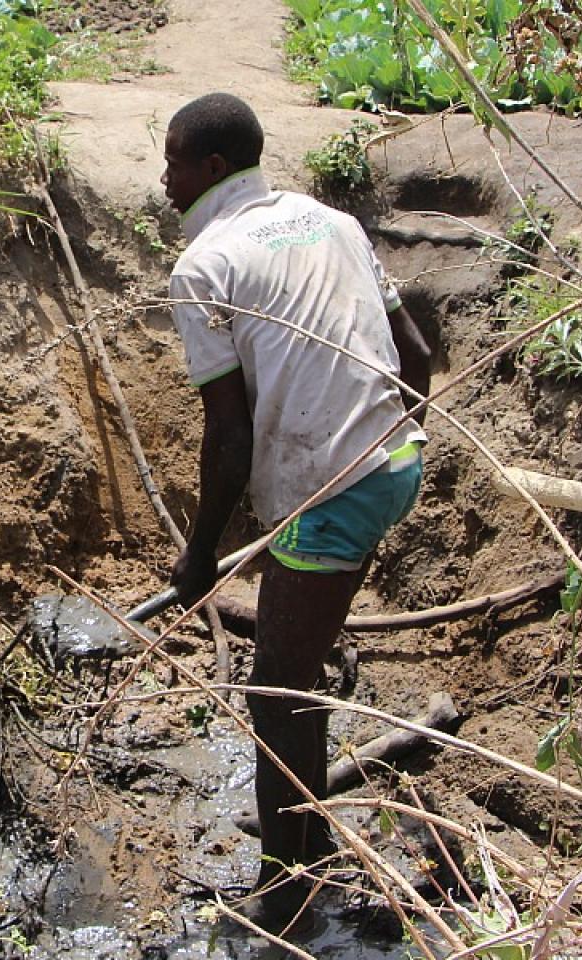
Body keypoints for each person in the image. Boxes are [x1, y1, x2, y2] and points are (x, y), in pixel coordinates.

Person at [159, 92, 431, 938]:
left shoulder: (203, 265)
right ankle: (308, 850)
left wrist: (200, 554)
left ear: (209, 168)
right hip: (396, 461)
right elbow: (417, 355)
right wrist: (381, 440)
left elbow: (229, 436)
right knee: (294, 662)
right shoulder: (332, 222)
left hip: (332, 489)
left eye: (171, 160)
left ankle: (289, 900)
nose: (163, 178)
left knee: (276, 689)